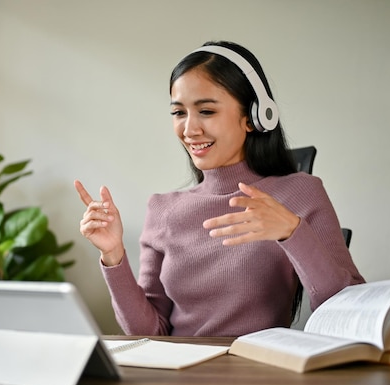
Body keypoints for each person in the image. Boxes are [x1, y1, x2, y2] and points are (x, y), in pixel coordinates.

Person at [74, 40, 365, 337]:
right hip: (179, 376)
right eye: (179, 113)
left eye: (207, 111)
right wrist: (113, 255)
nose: (189, 130)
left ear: (254, 117)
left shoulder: (301, 193)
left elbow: (347, 307)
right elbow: (150, 332)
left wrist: (292, 231)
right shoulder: (162, 209)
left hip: (258, 374)